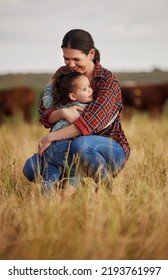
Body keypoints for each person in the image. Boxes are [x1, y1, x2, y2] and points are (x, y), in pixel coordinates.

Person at [23, 29, 130, 196]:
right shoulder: (62, 74)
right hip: (66, 147)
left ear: (91, 54)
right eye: (66, 58)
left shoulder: (108, 81)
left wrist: (50, 137)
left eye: (76, 59)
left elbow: (89, 125)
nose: (70, 64)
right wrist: (63, 113)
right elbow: (44, 114)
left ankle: (106, 189)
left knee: (81, 145)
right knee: (31, 168)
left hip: (107, 148)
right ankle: (66, 189)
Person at [40, 71, 93, 195]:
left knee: (50, 176)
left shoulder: (59, 105)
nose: (90, 90)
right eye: (85, 89)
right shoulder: (86, 108)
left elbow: (47, 100)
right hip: (67, 149)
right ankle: (64, 198)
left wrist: (49, 86)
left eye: (89, 86)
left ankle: (46, 195)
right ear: (73, 96)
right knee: (76, 172)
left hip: (50, 149)